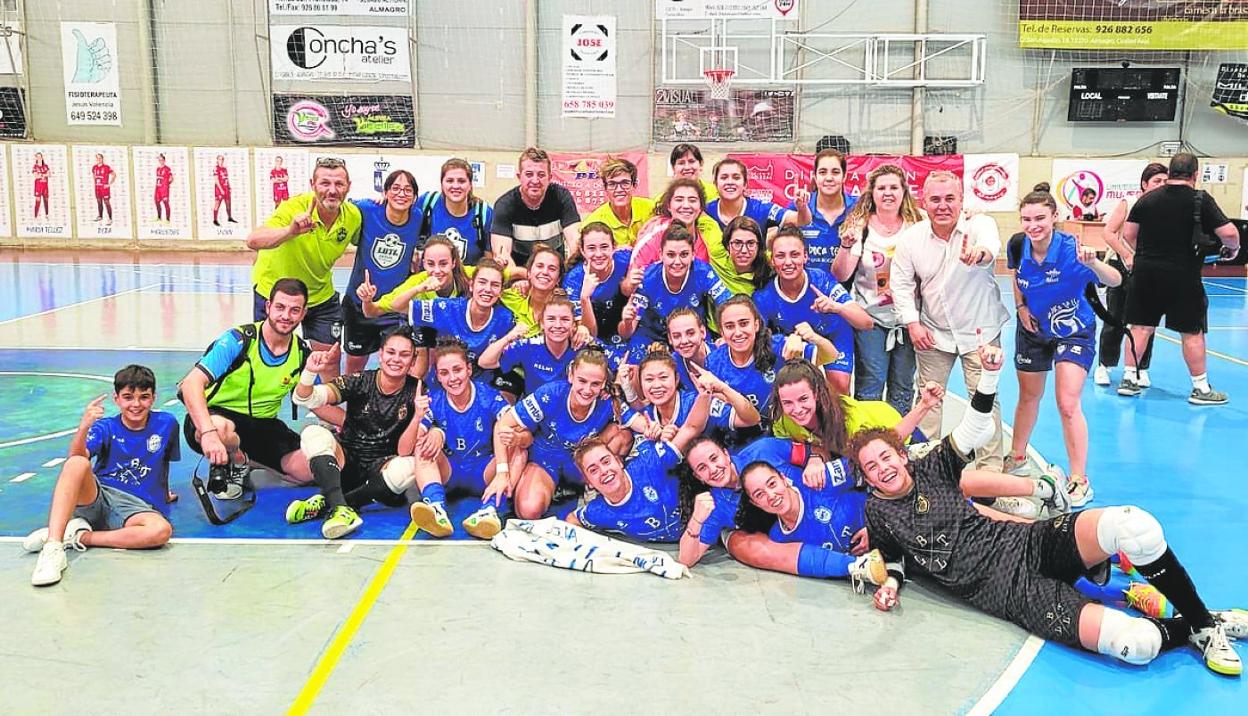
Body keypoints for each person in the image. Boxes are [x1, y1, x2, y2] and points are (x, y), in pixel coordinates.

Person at [849, 428, 1245, 676]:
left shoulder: (934, 469)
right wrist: (893, 585)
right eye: (871, 467)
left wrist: (988, 372)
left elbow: (973, 428)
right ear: (865, 478)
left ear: (903, 455)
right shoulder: (878, 511)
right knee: (1138, 645)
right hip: (1014, 595)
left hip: (1027, 543)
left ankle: (1204, 625)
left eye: (887, 456)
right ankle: (1199, 625)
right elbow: (893, 556)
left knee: (1134, 527)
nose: (882, 468)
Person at [1007, 184, 1122, 507]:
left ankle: (1079, 479)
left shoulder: (1073, 249)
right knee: (1029, 396)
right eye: (1027, 219)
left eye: (1040, 218)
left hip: (1073, 331)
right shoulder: (1019, 245)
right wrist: (1021, 307)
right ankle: (1016, 458)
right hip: (1033, 328)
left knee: (1067, 402)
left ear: (1054, 217)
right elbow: (1016, 277)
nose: (1033, 225)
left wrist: (1095, 263)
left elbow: (1116, 280)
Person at [890, 171, 1009, 469]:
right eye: (935, 199)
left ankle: (989, 470)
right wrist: (912, 324)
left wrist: (979, 254)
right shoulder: (911, 240)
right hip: (933, 332)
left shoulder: (980, 225)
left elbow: (989, 246)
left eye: (950, 199)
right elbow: (901, 284)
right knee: (928, 401)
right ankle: (925, 465)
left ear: (962, 200)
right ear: (922, 202)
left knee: (985, 399)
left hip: (980, 332)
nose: (943, 205)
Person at [25, 365, 178, 587]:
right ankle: (53, 547)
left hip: (136, 505)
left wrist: (164, 494)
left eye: (144, 397)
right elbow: (77, 457)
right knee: (77, 462)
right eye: (128, 397)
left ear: (153, 397)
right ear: (116, 399)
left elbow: (164, 462)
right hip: (99, 496)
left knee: (160, 531)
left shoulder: (167, 423)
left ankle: (78, 536)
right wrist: (84, 426)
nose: (136, 404)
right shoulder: (106, 427)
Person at [1120, 153, 1241, 404]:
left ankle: (1129, 379)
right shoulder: (1200, 200)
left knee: (1140, 326)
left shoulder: (1148, 199)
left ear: (1170, 172)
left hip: (1146, 272)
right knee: (1192, 331)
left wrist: (1146, 252)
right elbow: (1229, 232)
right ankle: (1200, 388)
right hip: (1184, 274)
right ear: (1195, 175)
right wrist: (1234, 249)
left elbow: (1129, 234)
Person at [286, 327, 425, 540]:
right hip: (346, 463)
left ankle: (333, 503)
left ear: (413, 360)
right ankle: (339, 506)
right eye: (391, 352)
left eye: (404, 354)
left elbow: (404, 450)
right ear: (380, 354)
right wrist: (310, 372)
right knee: (312, 432)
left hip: (382, 473)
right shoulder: (360, 380)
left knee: (412, 464)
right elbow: (305, 399)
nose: (396, 359)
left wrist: (418, 416)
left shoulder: (418, 391)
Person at [179, 278, 313, 495]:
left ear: (303, 314)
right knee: (222, 430)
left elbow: (314, 401)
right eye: (280, 307)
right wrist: (209, 432)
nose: (286, 315)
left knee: (307, 472)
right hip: (216, 418)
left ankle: (248, 460)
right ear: (268, 307)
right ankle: (236, 460)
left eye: (294, 310)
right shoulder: (239, 340)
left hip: (262, 425)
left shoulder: (301, 352)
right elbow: (191, 384)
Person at [247, 156, 362, 388]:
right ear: (313, 185)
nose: (332, 190)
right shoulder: (293, 208)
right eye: (325, 183)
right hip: (277, 294)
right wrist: (290, 231)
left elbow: (373, 240)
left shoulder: (353, 217)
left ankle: (332, 419)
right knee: (267, 357)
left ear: (348, 186)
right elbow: (253, 240)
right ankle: (258, 415)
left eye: (339, 184)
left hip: (319, 294)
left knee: (330, 359)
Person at [833, 163, 924, 415]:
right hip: (872, 321)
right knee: (870, 388)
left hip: (909, 322)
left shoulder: (919, 224)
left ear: (904, 191)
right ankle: (868, 442)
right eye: (881, 187)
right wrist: (845, 246)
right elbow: (841, 274)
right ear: (871, 193)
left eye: (894, 187)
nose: (888, 193)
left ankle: (898, 444)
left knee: (903, 388)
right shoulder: (860, 227)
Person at [566, 387, 711, 542]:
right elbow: (572, 519)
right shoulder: (598, 511)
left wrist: (705, 394)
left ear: (619, 461)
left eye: (606, 461)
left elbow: (690, 429)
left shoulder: (650, 462)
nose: (604, 471)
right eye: (593, 470)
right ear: (589, 482)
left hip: (706, 520)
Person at [493, 348, 620, 520]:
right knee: (529, 510)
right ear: (570, 376)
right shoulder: (550, 394)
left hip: (581, 462)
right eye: (582, 381)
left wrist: (599, 443)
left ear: (604, 383)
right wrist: (502, 472)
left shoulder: (608, 402)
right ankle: (548, 486)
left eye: (595, 384)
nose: (587, 389)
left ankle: (591, 487)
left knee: (621, 434)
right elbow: (504, 424)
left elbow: (630, 426)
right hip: (545, 459)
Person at [407, 339, 514, 540]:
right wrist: (430, 429)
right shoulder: (434, 400)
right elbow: (407, 447)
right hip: (451, 469)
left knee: (518, 449)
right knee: (422, 445)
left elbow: (513, 424)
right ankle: (436, 509)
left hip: (484, 470)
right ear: (437, 376)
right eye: (444, 373)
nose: (452, 378)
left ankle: (488, 511)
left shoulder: (488, 396)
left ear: (469, 369)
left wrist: (505, 459)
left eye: (457, 370)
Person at [753, 227, 873, 395]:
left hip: (834, 335)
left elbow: (866, 323)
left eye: (794, 254)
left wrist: (835, 307)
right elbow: (758, 339)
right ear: (772, 260)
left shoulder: (821, 281)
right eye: (781, 256)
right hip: (797, 341)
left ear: (805, 257)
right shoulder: (764, 297)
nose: (788, 262)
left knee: (838, 386)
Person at [341, 169, 423, 375]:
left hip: (393, 307)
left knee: (396, 361)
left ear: (414, 197)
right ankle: (354, 405)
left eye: (407, 190)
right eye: (395, 188)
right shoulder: (368, 209)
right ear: (385, 192)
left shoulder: (418, 218)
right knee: (355, 362)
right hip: (359, 302)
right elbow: (342, 206)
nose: (401, 194)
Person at [705, 294, 833, 425]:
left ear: (756, 325)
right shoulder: (714, 363)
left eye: (744, 324)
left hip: (788, 425)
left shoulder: (777, 345)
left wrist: (814, 337)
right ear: (721, 332)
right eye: (729, 326)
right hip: (743, 433)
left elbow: (830, 356)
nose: (738, 332)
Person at [394, 259, 516, 388]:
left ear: (501, 291)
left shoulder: (506, 319)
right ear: (471, 285)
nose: (487, 289)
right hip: (442, 385)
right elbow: (397, 306)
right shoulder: (448, 309)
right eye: (482, 282)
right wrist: (420, 288)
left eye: (495, 285)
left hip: (482, 390)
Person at [1095, 163, 1164, 387]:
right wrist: (1127, 254)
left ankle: (1141, 368)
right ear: (1144, 184)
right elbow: (1108, 232)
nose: (1161, 185)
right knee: (1116, 318)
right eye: (1156, 181)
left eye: (1165, 181)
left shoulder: (1167, 207)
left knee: (1147, 321)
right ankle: (1104, 365)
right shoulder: (1130, 203)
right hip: (1122, 267)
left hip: (1151, 268)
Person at [620, 224, 731, 354]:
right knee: (634, 367)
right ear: (661, 255)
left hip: (691, 335)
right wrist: (627, 322)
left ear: (693, 254)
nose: (677, 262)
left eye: (684, 254)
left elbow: (729, 305)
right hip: (652, 337)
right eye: (671, 255)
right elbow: (626, 333)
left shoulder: (703, 272)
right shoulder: (647, 278)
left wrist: (726, 335)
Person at [617, 347, 758, 441]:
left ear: (676, 379)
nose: (657, 385)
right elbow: (631, 407)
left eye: (663, 377)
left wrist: (723, 388)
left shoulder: (696, 402)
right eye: (649, 379)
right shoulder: (648, 414)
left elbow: (752, 418)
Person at [490, 147, 580, 268]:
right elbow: (502, 256)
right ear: (519, 176)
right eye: (529, 174)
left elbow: (575, 242)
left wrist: (569, 272)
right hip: (518, 277)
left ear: (550, 177)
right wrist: (521, 276)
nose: (535, 180)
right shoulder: (504, 205)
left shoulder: (562, 198)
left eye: (541, 175)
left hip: (554, 274)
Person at [479, 294, 581, 400]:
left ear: (574, 325)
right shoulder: (528, 346)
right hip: (535, 410)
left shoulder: (583, 345)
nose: (558, 325)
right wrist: (508, 337)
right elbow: (484, 362)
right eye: (551, 319)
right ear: (541, 323)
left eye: (565, 319)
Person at [628, 178, 729, 284]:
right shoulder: (653, 236)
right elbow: (631, 283)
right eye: (679, 200)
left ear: (700, 208)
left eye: (692, 200)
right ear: (669, 206)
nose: (686, 206)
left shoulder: (706, 239)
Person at [564, 222, 632, 349]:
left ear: (614, 247)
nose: (599, 254)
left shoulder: (626, 260)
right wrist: (585, 298)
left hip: (627, 333)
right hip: (595, 343)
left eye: (604, 247)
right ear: (582, 251)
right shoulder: (573, 280)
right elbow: (589, 334)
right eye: (591, 248)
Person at [791, 148, 858, 274]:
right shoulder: (799, 206)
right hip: (807, 288)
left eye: (835, 172)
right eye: (822, 172)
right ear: (815, 177)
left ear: (845, 176)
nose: (829, 178)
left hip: (847, 290)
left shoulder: (858, 208)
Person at [416, 158, 495, 265]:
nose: (456, 186)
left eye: (461, 181)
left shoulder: (484, 213)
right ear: (442, 184)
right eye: (449, 181)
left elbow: (488, 259)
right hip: (429, 277)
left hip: (467, 279)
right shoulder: (427, 203)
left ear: (470, 185)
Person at [705, 158, 805, 237]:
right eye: (724, 177)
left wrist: (802, 207)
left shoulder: (760, 209)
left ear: (745, 184)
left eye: (736, 177)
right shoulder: (706, 211)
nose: (730, 182)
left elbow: (802, 220)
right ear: (715, 183)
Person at [580, 158, 655, 247]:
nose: (619, 189)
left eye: (625, 183)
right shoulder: (593, 223)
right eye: (612, 184)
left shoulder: (652, 209)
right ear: (605, 188)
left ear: (634, 185)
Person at [721, 216, 771, 294]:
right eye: (737, 243)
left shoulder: (773, 261)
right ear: (728, 245)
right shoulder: (717, 257)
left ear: (759, 246)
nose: (744, 250)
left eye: (750, 243)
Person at [212, 154, 236, 226]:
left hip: (226, 188)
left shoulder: (225, 169)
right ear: (217, 160)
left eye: (222, 159)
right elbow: (216, 180)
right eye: (220, 159)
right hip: (219, 189)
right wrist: (221, 189)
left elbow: (226, 178)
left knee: (228, 203)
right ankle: (215, 220)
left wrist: (229, 186)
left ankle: (229, 217)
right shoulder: (216, 168)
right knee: (217, 204)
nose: (221, 161)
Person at [91, 153, 115, 225]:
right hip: (97, 188)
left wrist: (109, 184)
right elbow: (94, 176)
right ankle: (100, 216)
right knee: (99, 202)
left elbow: (114, 175)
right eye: (97, 158)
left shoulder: (106, 167)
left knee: (107, 203)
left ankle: (110, 219)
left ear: (102, 159)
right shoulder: (94, 167)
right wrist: (95, 183)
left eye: (100, 158)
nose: (98, 159)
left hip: (104, 188)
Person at [154, 153, 173, 223]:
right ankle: (159, 217)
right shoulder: (158, 169)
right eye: (159, 160)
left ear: (164, 160)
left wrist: (166, 185)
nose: (160, 161)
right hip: (158, 188)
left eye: (161, 160)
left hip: (164, 189)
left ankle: (168, 219)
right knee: (156, 202)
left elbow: (171, 178)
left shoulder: (167, 168)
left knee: (166, 203)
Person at [32, 152, 50, 219]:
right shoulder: (35, 166)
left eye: (40, 157)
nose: (39, 158)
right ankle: (35, 216)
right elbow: (36, 176)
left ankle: (47, 215)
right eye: (38, 157)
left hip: (45, 185)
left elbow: (49, 174)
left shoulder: (46, 166)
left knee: (46, 200)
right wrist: (44, 174)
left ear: (42, 158)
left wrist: (41, 175)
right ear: (36, 158)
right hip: (38, 186)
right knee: (38, 200)